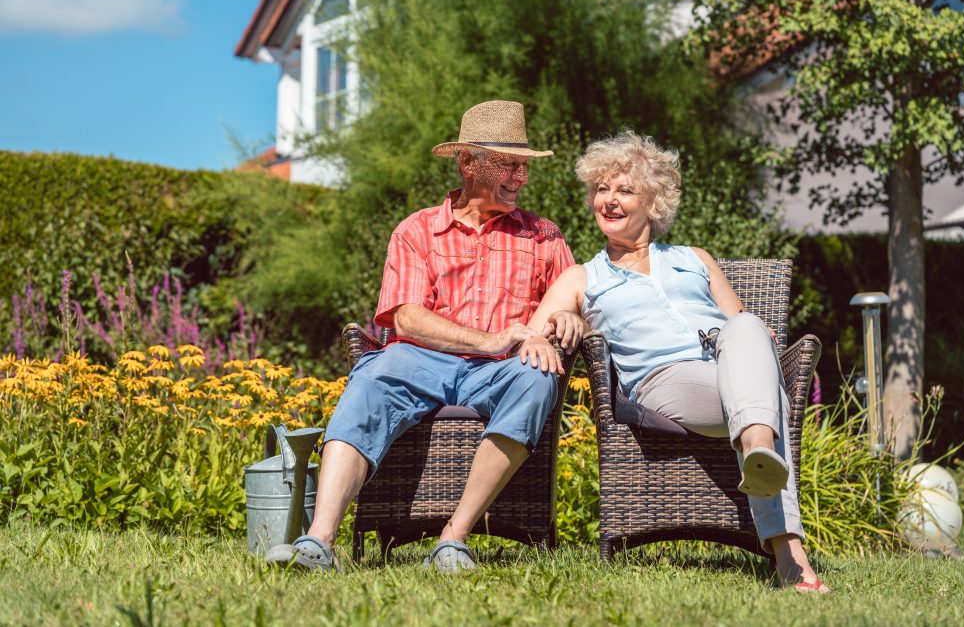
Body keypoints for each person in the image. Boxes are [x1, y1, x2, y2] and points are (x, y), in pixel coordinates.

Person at [267, 100, 585, 573]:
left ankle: (453, 539)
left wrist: (569, 320)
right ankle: (319, 541)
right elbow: (407, 319)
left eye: (524, 167)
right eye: (510, 165)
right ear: (468, 162)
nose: (521, 177)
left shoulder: (543, 236)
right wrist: (487, 340)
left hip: (502, 371)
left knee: (536, 381)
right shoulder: (418, 230)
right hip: (421, 360)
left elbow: (573, 295)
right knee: (371, 380)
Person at [517, 131, 830, 593]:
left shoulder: (695, 260)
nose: (609, 200)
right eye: (601, 189)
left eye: (624, 190)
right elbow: (531, 336)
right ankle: (786, 543)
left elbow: (742, 325)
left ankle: (762, 460)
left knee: (745, 326)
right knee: (766, 395)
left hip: (730, 370)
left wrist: (751, 331)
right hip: (665, 383)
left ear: (654, 203)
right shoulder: (583, 277)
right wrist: (566, 318)